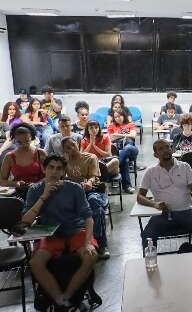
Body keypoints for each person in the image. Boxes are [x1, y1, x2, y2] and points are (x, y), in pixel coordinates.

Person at [23, 155, 97, 308]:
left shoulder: (74, 188)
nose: (54, 172)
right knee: (35, 262)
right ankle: (58, 299)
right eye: (51, 167)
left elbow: (88, 218)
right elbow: (26, 221)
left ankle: (68, 296)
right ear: (44, 169)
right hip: (51, 235)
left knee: (90, 256)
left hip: (76, 230)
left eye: (58, 169)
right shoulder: (35, 189)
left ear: (63, 171)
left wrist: (88, 243)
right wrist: (44, 196)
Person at [136, 139, 192, 250]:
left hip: (187, 212)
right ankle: (151, 264)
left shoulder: (184, 167)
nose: (166, 150)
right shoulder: (151, 172)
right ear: (155, 154)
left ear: (172, 149)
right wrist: (154, 204)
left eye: (167, 147)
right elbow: (139, 197)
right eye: (161, 149)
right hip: (163, 215)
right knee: (147, 235)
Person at [62, 137, 110, 259]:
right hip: (76, 192)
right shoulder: (65, 161)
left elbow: (93, 177)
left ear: (77, 144)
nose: (71, 149)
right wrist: (65, 164)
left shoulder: (90, 157)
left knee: (95, 206)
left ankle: (101, 243)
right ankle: (72, 243)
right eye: (67, 148)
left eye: (73, 145)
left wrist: (89, 182)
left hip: (93, 190)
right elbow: (61, 178)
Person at [0, 123, 47, 201]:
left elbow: (51, 176)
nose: (24, 145)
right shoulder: (9, 157)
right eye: (19, 142)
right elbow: (2, 181)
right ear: (14, 140)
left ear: (32, 138)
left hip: (40, 193)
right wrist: (16, 183)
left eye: (27, 141)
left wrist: (37, 184)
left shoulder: (41, 153)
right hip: (20, 195)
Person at [107, 109, 138, 194]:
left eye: (119, 116)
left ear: (124, 115)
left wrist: (117, 135)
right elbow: (110, 138)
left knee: (128, 148)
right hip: (118, 151)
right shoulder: (111, 126)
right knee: (125, 160)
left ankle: (113, 167)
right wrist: (125, 135)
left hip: (131, 150)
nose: (118, 118)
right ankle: (127, 186)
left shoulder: (130, 124)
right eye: (116, 117)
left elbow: (133, 135)